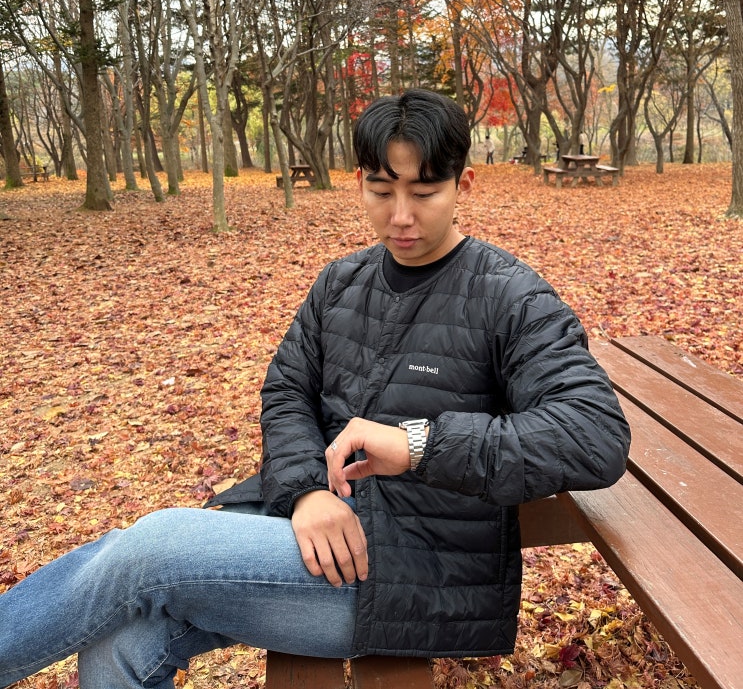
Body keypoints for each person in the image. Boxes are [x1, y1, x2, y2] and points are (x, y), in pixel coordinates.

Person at [0, 89, 630, 689]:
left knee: (153, 548)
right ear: (359, 182)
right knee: (120, 644)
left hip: (409, 578)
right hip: (309, 536)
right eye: (381, 191)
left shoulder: (510, 296)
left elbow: (595, 435)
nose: (401, 216)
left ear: (464, 185)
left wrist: (419, 445)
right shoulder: (341, 283)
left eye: (424, 192)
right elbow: (287, 392)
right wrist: (305, 491)